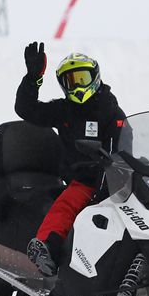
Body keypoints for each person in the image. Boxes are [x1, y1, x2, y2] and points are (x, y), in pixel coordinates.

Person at [15, 44, 126, 275]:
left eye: (82, 78)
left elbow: (128, 145)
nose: (77, 85)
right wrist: (33, 78)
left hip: (116, 182)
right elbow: (26, 109)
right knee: (67, 205)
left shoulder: (111, 112)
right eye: (70, 81)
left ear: (94, 78)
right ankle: (46, 248)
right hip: (85, 182)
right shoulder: (64, 110)